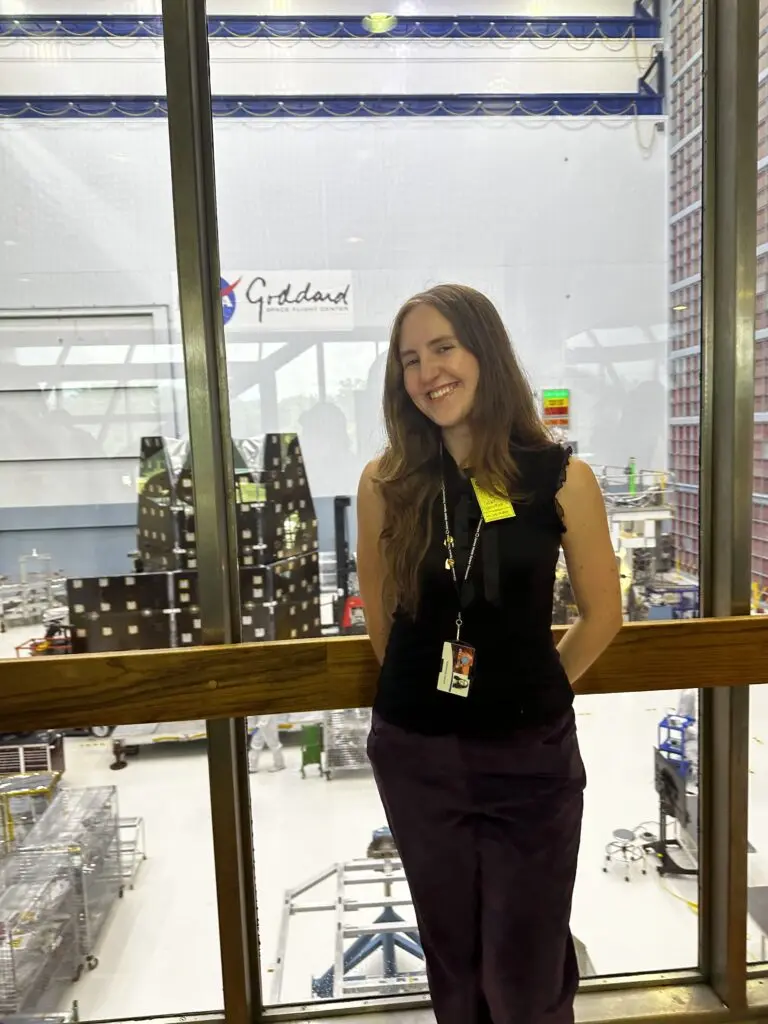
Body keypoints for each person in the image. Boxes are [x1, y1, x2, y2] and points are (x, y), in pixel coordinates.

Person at [356, 284, 622, 1024]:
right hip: (418, 757)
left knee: (526, 975)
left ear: (485, 352)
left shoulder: (563, 481)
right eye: (410, 359)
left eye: (443, 347)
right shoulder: (387, 484)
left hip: (529, 760)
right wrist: (431, 705)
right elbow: (384, 625)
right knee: (455, 964)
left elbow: (605, 615)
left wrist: (534, 690)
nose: (427, 371)